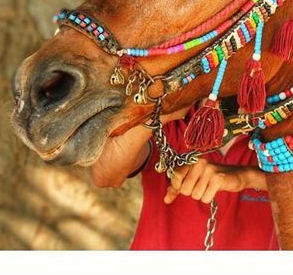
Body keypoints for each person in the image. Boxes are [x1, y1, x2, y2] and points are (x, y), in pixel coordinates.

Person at [92, 105, 278, 250]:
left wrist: (247, 178)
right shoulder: (171, 123)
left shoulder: (280, 140)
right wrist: (161, 110)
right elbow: (104, 175)